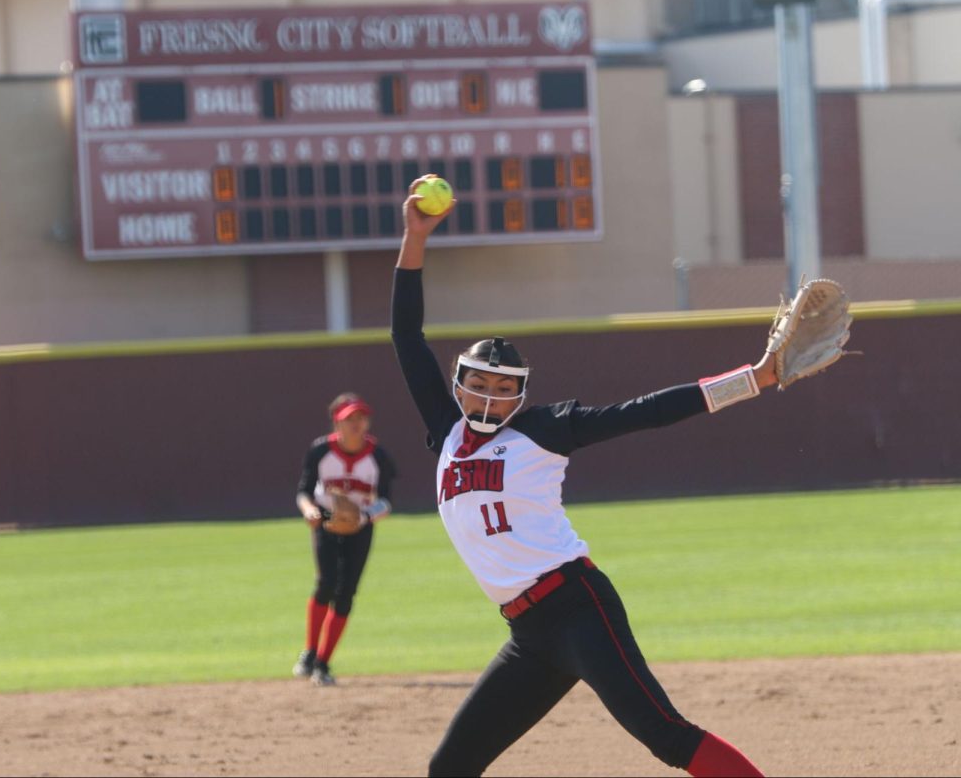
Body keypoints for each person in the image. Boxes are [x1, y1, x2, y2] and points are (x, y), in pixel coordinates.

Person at [392, 176, 780, 776]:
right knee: (450, 768)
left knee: (665, 735)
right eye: (481, 382)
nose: (491, 396)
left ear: (520, 395)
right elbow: (405, 335)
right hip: (527, 632)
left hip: (577, 608)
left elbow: (643, 413)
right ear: (458, 381)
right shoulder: (444, 433)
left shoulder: (543, 430)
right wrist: (414, 238)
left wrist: (750, 380)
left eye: (504, 387)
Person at [292, 393, 396, 687]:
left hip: (361, 527)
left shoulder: (378, 456)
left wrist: (362, 518)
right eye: (350, 418)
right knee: (325, 584)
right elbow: (303, 491)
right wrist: (309, 510)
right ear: (337, 422)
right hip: (325, 523)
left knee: (346, 592)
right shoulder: (320, 451)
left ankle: (323, 663)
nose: (357, 424)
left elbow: (386, 501)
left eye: (361, 418)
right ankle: (310, 652)